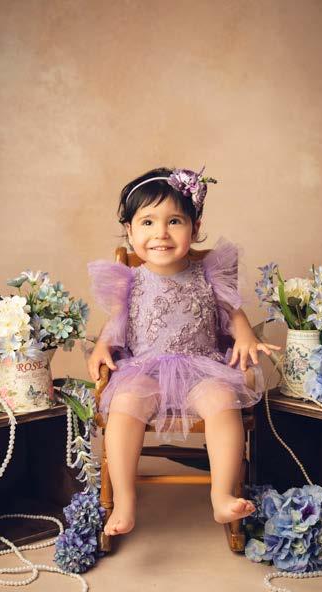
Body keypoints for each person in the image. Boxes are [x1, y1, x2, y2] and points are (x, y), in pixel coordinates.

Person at [87, 166, 280, 537]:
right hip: (143, 371)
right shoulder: (130, 280)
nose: (161, 233)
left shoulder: (208, 273)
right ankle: (125, 501)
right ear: (130, 230)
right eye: (147, 222)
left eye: (174, 221)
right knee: (124, 405)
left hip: (202, 369)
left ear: (195, 226)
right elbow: (116, 322)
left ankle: (221, 495)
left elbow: (233, 313)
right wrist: (101, 347)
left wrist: (244, 337)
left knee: (223, 401)